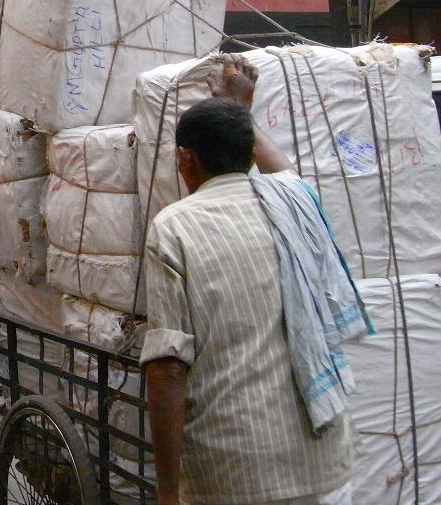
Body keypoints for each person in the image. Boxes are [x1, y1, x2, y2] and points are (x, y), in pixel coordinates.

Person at [141, 55, 368, 505]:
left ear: (185, 159)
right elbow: (279, 166)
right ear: (248, 153)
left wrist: (166, 493)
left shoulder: (173, 227)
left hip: (235, 469)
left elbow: (167, 371)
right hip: (322, 459)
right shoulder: (291, 202)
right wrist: (239, 110)